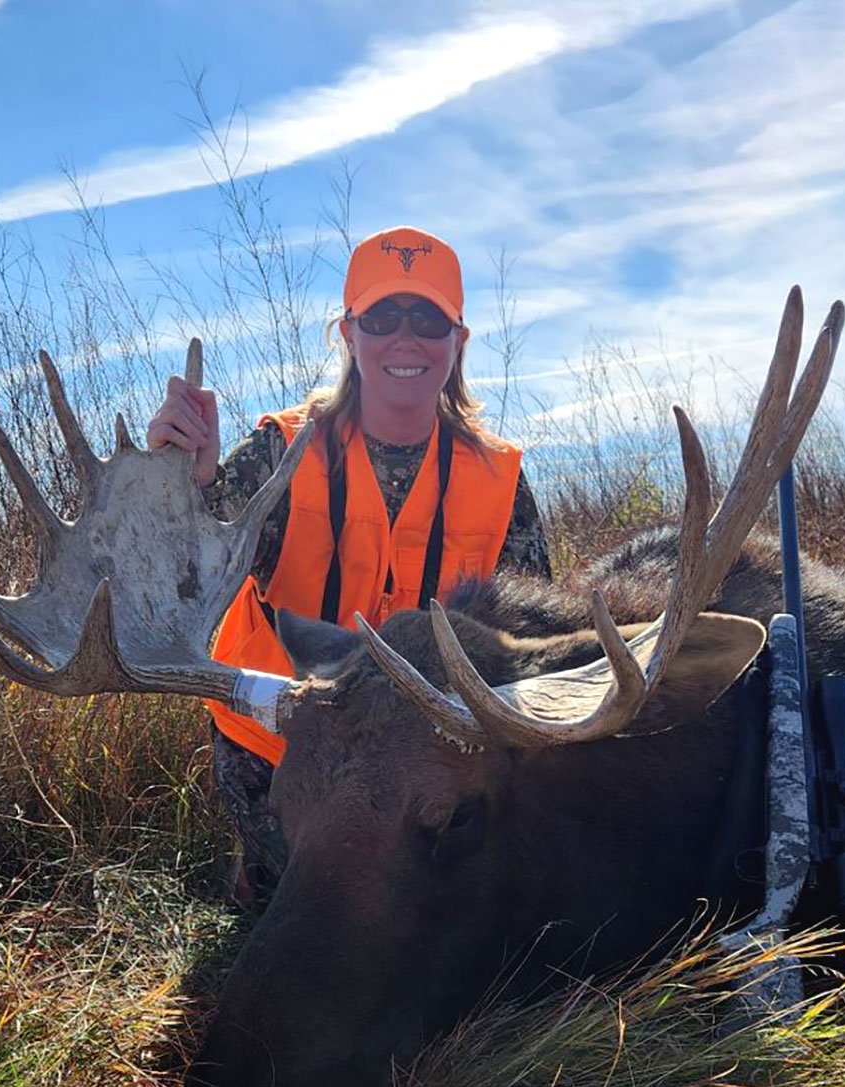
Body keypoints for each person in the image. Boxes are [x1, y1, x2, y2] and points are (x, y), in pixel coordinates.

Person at [147, 225, 552, 908]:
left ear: (458, 342)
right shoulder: (278, 453)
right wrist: (180, 481)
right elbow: (178, 573)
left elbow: (529, 650)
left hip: (424, 771)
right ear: (348, 333)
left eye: (427, 319)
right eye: (382, 317)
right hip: (279, 753)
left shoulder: (500, 483)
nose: (405, 339)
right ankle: (263, 880)